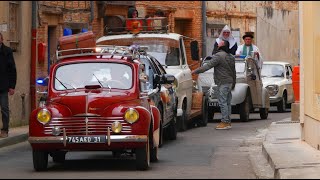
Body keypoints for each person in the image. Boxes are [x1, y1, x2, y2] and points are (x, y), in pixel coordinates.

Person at [192, 40, 236, 130]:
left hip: (222, 82)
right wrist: (234, 82)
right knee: (227, 102)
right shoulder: (231, 56)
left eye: (219, 43)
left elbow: (207, 66)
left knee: (222, 102)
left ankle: (224, 122)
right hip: (229, 82)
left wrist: (194, 71)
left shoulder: (218, 56)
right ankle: (228, 121)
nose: (217, 44)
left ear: (222, 46)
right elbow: (233, 71)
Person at [0, 32, 17, 138]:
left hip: (3, 86)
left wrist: (12, 86)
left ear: (1, 40)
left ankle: (5, 130)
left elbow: (12, 70)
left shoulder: (7, 51)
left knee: (4, 109)